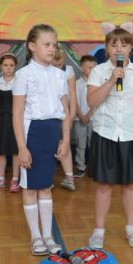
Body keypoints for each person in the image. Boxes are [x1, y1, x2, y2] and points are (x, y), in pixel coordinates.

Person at [87, 23, 133, 249]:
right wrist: (111, 80)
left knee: (131, 185)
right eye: (114, 45)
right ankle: (98, 231)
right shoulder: (99, 71)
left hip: (132, 135)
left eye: (123, 45)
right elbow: (91, 101)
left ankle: (131, 229)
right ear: (106, 48)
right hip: (105, 133)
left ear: (131, 48)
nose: (119, 49)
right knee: (104, 185)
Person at [12, 24, 70, 256]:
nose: (51, 48)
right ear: (32, 46)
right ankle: (36, 237)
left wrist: (65, 139)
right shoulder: (23, 75)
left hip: (51, 132)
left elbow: (65, 110)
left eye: (54, 44)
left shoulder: (60, 74)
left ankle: (48, 236)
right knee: (30, 188)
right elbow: (17, 113)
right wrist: (22, 147)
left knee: (46, 186)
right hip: (31, 133)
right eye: (46, 44)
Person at [0, 52, 20, 191]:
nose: (8, 68)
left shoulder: (19, 82)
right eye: (5, 65)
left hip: (16, 120)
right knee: (1, 150)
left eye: (11, 65)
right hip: (1, 120)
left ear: (15, 66)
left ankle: (15, 179)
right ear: (1, 66)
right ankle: (0, 178)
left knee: (16, 151)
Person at [50, 45, 77, 191]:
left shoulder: (69, 71)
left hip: (64, 113)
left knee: (64, 143)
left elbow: (72, 93)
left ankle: (69, 177)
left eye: (59, 65)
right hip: (48, 113)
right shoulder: (44, 71)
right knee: (48, 144)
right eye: (54, 65)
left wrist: (71, 116)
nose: (57, 68)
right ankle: (48, 178)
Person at [73, 55, 97, 178]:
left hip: (93, 119)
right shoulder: (76, 84)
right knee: (80, 144)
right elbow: (74, 102)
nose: (92, 70)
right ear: (82, 68)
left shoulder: (97, 84)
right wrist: (81, 116)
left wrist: (88, 115)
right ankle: (80, 167)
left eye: (94, 67)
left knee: (93, 144)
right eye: (89, 67)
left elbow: (97, 101)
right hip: (79, 119)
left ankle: (94, 167)